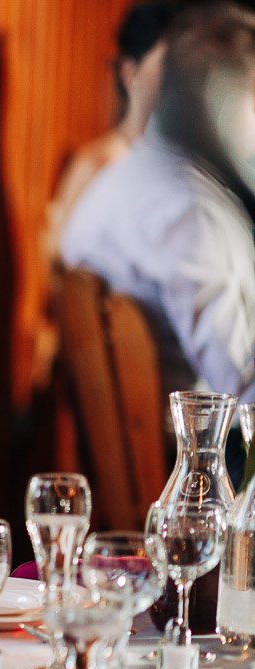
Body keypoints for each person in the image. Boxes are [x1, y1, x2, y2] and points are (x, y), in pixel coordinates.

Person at [60, 0, 255, 407]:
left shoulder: (120, 180)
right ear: (220, 98)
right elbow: (242, 385)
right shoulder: (187, 211)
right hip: (199, 440)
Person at [44, 1, 175, 260]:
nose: (176, 79)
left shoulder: (175, 165)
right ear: (130, 73)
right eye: (166, 65)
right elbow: (57, 256)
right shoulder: (98, 162)